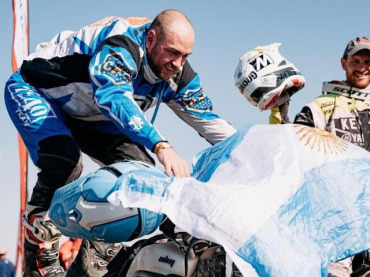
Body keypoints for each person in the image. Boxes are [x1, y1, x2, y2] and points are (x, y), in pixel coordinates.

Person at [4, 10, 236, 277]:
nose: (178, 64)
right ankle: (39, 250)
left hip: (91, 115)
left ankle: (95, 255)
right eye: (172, 52)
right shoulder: (122, 44)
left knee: (141, 177)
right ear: (150, 40)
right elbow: (112, 95)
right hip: (37, 90)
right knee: (65, 162)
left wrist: (254, 154)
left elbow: (212, 123)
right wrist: (161, 145)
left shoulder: (179, 75)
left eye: (186, 56)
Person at [270, 37, 370, 277]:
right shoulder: (322, 104)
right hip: (336, 216)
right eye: (355, 61)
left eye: (368, 61)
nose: (362, 66)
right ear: (343, 63)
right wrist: (279, 108)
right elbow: (289, 142)